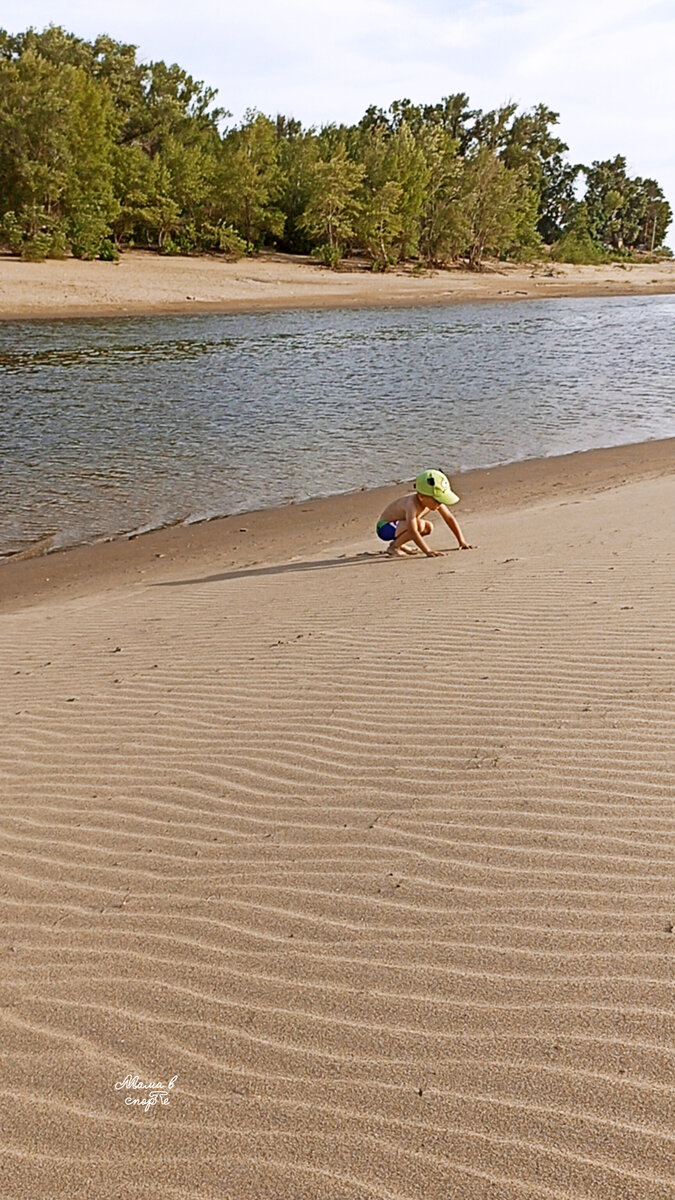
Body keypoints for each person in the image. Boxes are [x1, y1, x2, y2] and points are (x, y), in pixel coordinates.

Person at [376, 470, 474, 558]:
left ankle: (398, 544)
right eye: (437, 500)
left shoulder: (434, 503)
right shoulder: (411, 505)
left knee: (428, 527)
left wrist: (461, 541)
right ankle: (394, 547)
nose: (439, 504)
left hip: (399, 526)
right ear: (421, 496)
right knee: (419, 525)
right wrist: (428, 551)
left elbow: (449, 518)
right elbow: (412, 530)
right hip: (385, 527)